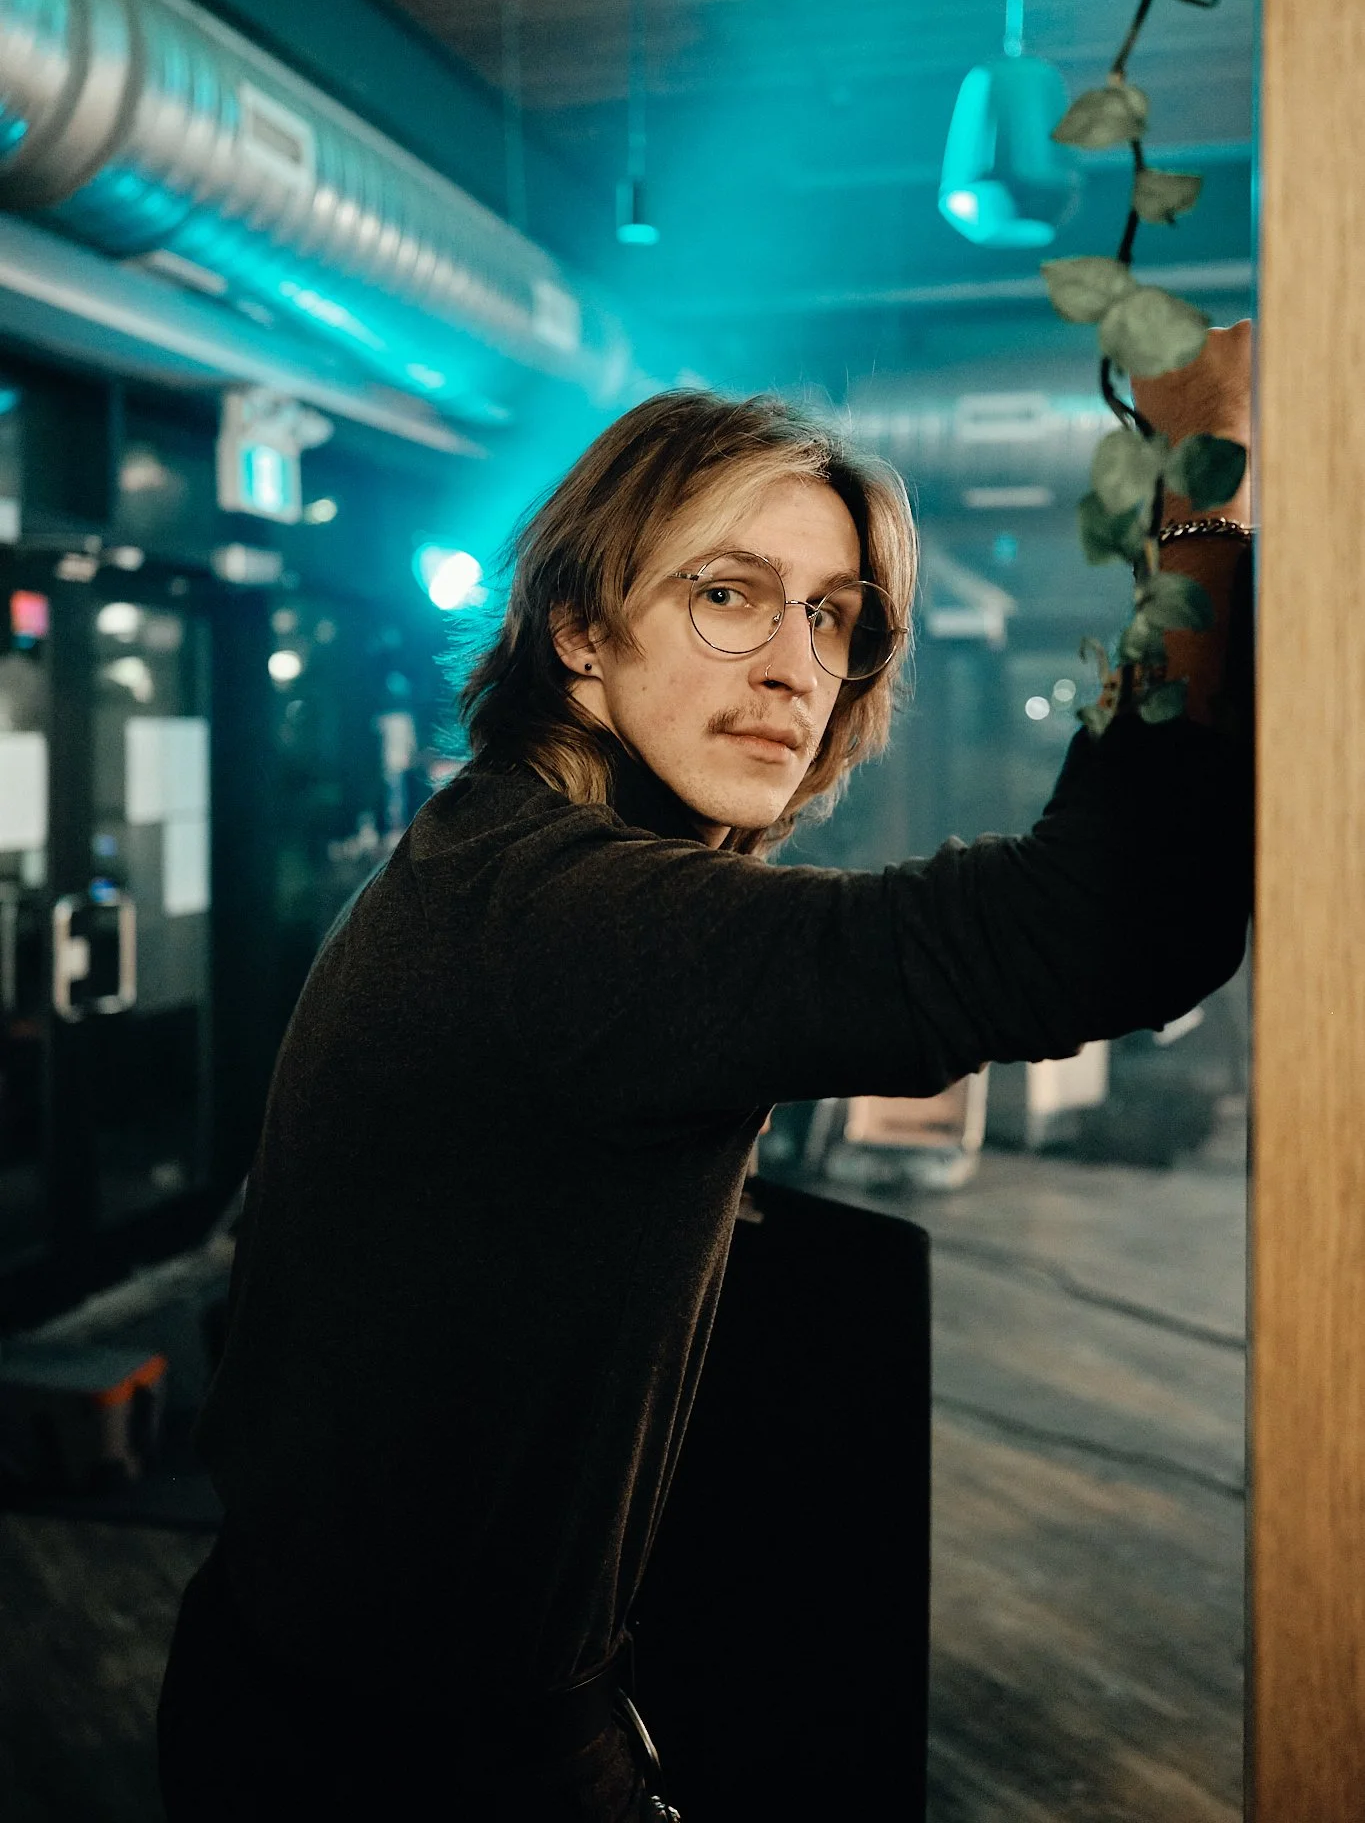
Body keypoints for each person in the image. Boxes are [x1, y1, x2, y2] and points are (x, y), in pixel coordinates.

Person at [157, 329, 1254, 1823]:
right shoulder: (570, 919)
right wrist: (1199, 492)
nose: (795, 668)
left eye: (835, 618)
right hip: (414, 1768)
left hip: (319, 1699)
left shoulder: (486, 850)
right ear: (581, 631)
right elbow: (1109, 926)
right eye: (728, 595)